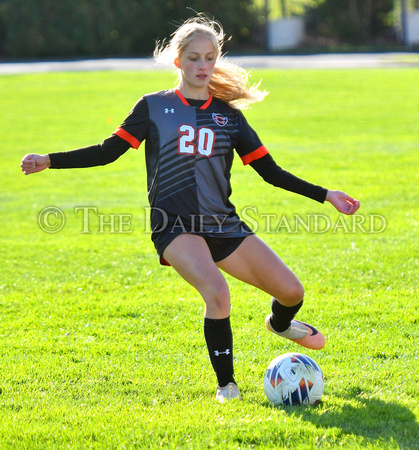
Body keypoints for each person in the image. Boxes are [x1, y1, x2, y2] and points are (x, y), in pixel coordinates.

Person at [21, 15, 360, 403]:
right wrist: (50, 159)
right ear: (178, 61)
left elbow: (271, 173)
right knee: (217, 294)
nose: (203, 66)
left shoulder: (229, 117)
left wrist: (326, 194)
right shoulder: (152, 107)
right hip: (174, 226)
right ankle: (227, 385)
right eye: (195, 58)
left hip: (223, 224)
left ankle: (280, 325)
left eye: (210, 58)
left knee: (292, 292)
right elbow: (106, 152)